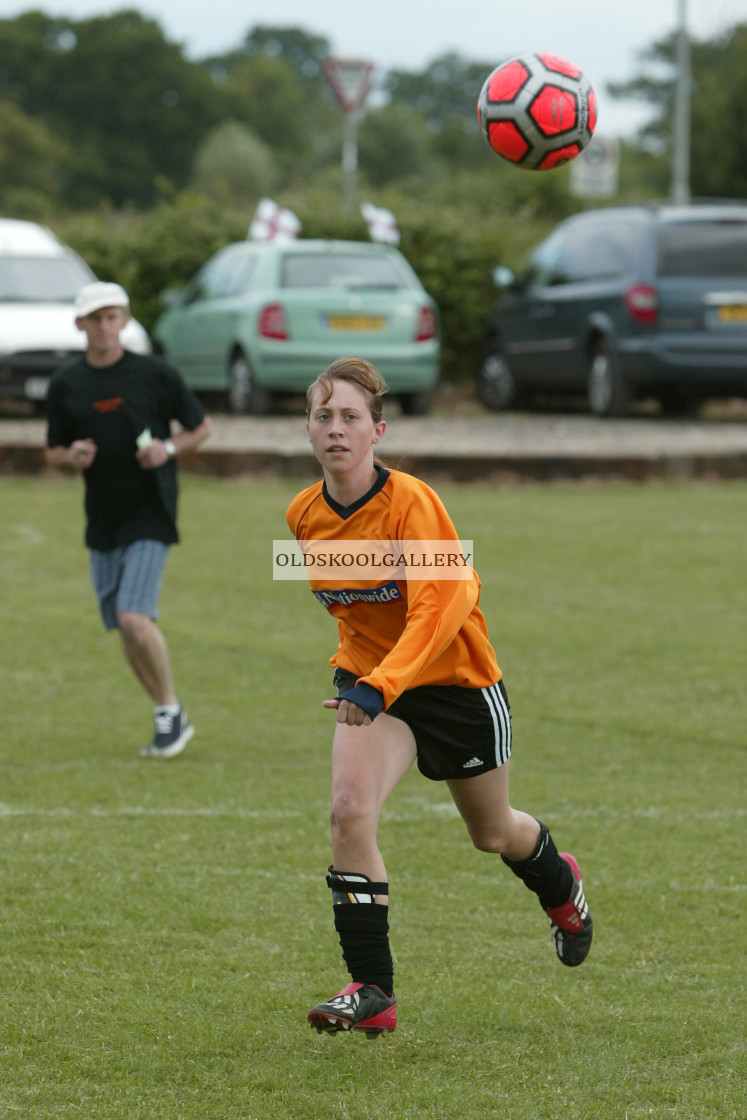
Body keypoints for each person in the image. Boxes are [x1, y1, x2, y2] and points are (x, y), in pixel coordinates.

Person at [286, 356, 593, 1039]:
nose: (335, 429)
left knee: (493, 834)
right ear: (307, 429)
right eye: (322, 416)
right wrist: (357, 677)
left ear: (377, 431)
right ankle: (372, 989)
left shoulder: (412, 502)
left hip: (455, 686)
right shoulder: (303, 516)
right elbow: (354, 612)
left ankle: (560, 885)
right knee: (347, 811)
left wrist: (381, 681)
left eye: (350, 418)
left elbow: (443, 605)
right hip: (374, 690)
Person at [45, 281, 213, 759]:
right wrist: (71, 455)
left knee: (133, 616)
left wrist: (168, 448)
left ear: (124, 319)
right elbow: (52, 449)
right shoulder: (66, 384)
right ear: (80, 324)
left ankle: (166, 714)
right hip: (102, 518)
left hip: (151, 510)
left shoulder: (155, 374)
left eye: (112, 316)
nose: (104, 326)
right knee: (124, 624)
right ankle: (172, 713)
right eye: (95, 318)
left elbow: (202, 427)